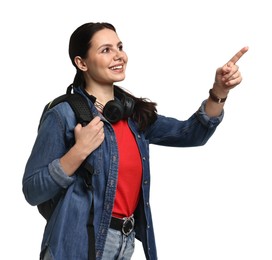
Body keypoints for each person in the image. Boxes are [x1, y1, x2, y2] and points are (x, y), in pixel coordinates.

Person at [22, 22, 248, 260]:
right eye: (106, 50)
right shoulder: (63, 114)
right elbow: (32, 190)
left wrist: (219, 91)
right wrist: (79, 151)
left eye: (119, 46)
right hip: (75, 244)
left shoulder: (134, 116)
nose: (119, 55)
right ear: (81, 63)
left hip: (124, 243)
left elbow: (192, 134)